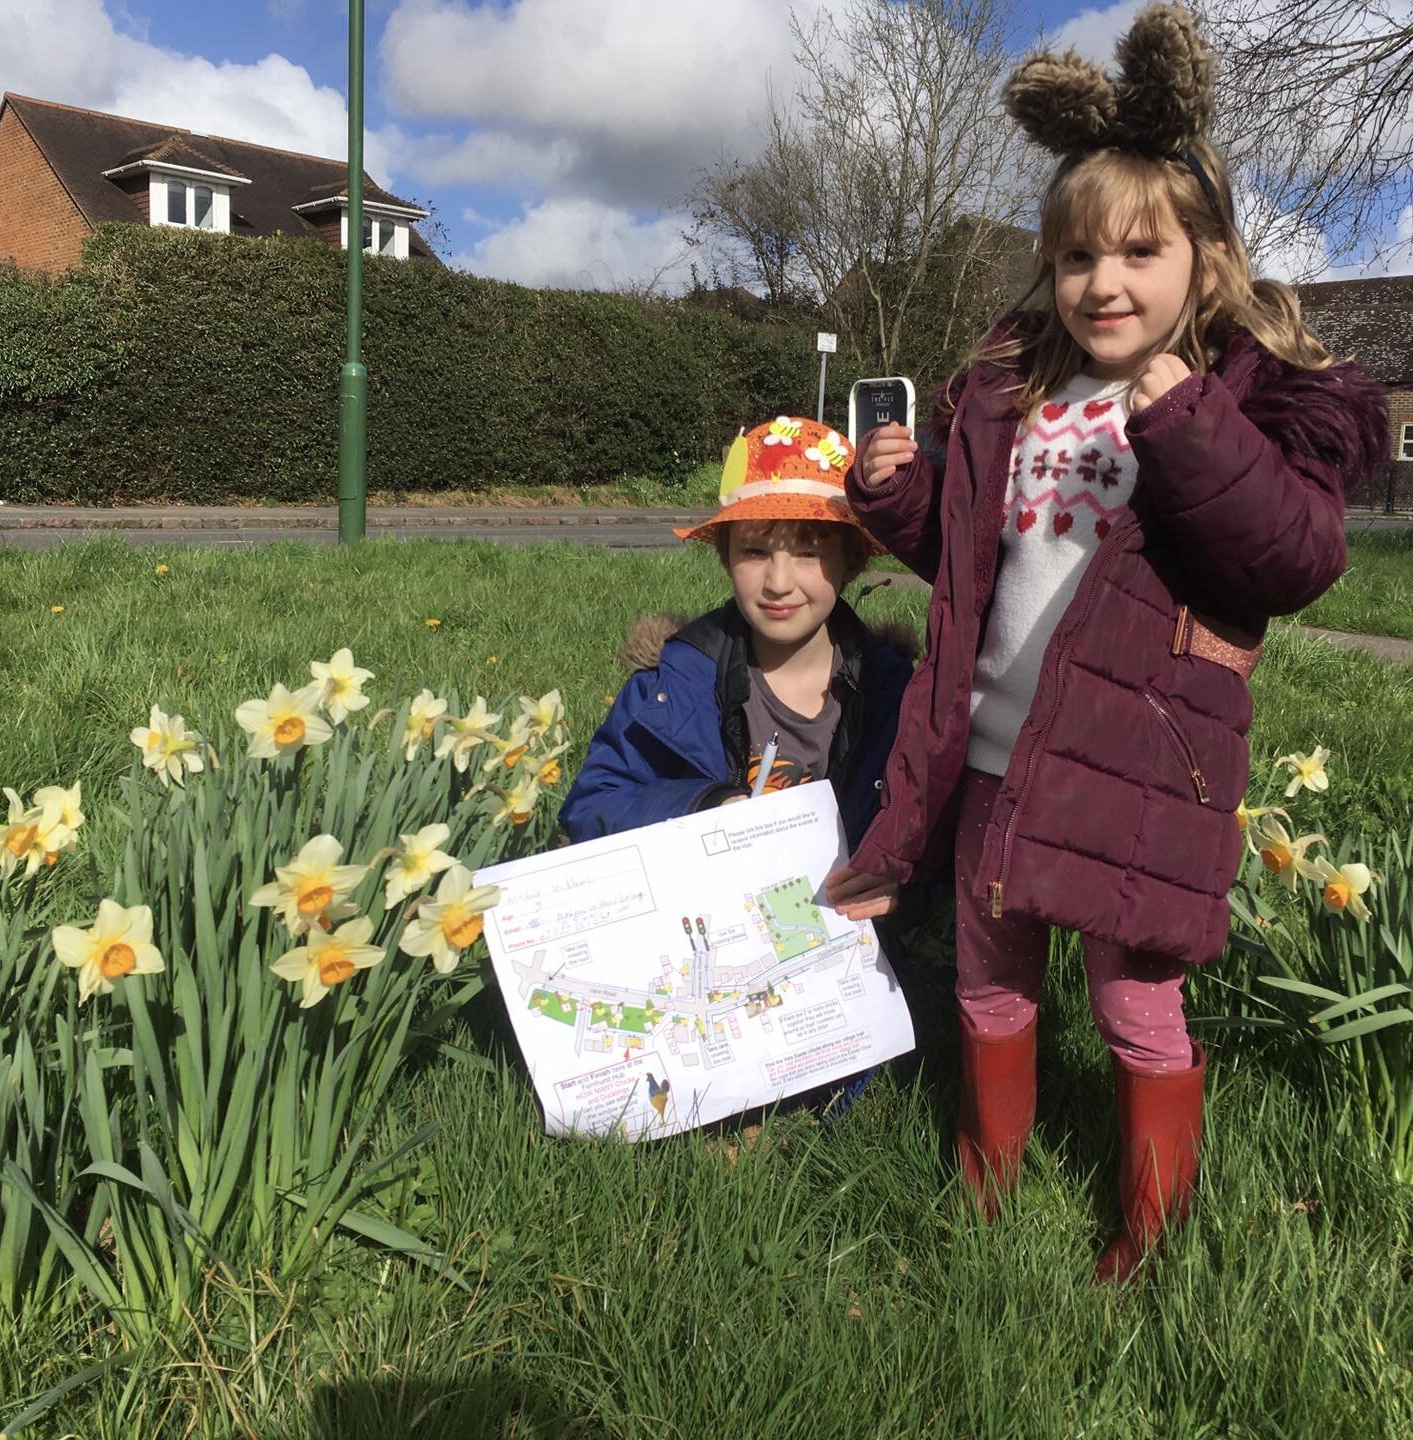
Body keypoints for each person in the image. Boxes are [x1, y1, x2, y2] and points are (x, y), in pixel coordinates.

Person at [825, 3, 1388, 1280]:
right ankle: (988, 1183)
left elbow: (1292, 556)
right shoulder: (1015, 390)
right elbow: (977, 562)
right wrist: (899, 494)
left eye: (1142, 251)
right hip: (990, 754)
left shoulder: (1240, 394)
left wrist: (1187, 420)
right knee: (990, 976)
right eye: (1080, 257)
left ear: (1206, 258)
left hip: (1142, 763)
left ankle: (1148, 1226)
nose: (1106, 283)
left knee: (1137, 1004)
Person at [560, 415, 920, 1117]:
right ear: (725, 556)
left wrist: (905, 885)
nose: (780, 581)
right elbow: (592, 802)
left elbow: (943, 830)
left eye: (810, 552)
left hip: (832, 945)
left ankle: (810, 1096)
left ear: (851, 561)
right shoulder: (674, 684)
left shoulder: (893, 694)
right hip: (702, 942)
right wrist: (701, 807)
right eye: (755, 549)